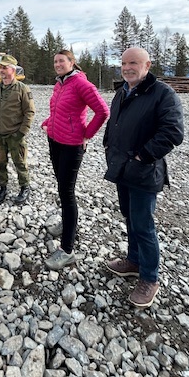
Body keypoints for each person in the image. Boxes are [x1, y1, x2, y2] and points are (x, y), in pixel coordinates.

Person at [103, 47, 184, 308]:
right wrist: (108, 144)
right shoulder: (122, 91)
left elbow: (173, 132)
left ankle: (150, 278)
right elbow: (114, 123)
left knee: (143, 225)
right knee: (130, 218)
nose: (127, 67)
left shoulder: (162, 94)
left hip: (144, 172)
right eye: (124, 63)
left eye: (133, 63)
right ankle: (133, 261)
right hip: (121, 169)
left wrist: (143, 156)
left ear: (147, 65)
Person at [42, 49, 109, 271]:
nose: (57, 64)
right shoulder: (60, 83)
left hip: (71, 145)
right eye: (55, 61)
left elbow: (102, 111)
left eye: (62, 60)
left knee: (67, 192)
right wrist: (49, 122)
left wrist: (86, 135)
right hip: (55, 141)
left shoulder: (81, 84)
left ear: (72, 63)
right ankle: (67, 224)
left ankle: (67, 250)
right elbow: (59, 111)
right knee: (61, 188)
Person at [0, 54, 35, 204]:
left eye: (4, 67)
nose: (1, 70)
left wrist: (21, 132)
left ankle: (24, 188)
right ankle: (2, 188)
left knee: (20, 163)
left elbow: (30, 112)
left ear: (12, 70)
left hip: (15, 135)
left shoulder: (22, 89)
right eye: (0, 67)